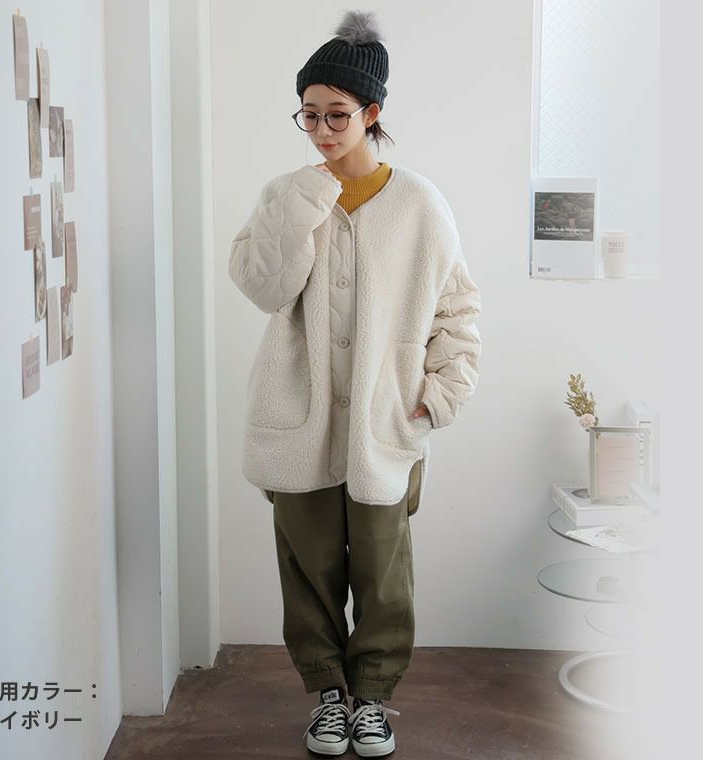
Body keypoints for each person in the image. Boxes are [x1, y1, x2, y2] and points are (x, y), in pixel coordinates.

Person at [229, 10, 483, 757]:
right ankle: (328, 699)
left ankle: (370, 699)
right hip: (297, 416)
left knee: (382, 572)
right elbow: (264, 287)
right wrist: (304, 203)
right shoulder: (287, 194)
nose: (321, 130)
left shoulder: (419, 204)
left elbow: (458, 308)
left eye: (336, 114)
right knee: (308, 570)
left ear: (372, 113)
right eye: (308, 114)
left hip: (384, 420)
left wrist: (440, 394)